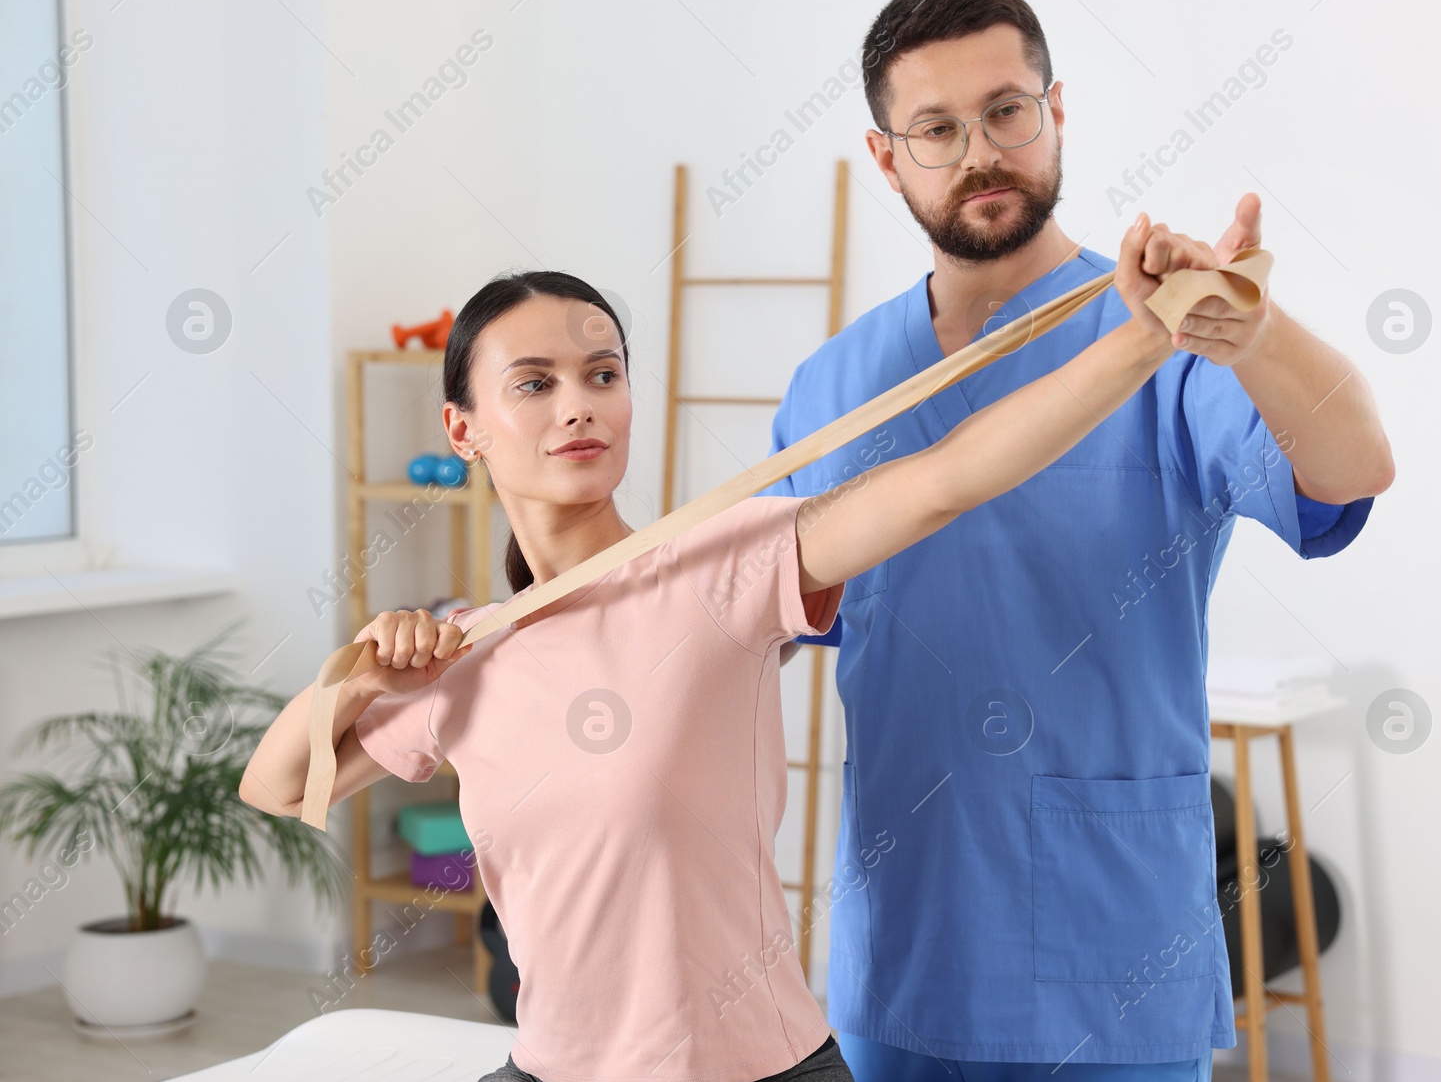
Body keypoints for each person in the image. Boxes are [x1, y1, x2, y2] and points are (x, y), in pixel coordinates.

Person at [238, 220, 1213, 1082]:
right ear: (463, 430)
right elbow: (279, 789)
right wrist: (354, 677)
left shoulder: (719, 564)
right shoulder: (465, 653)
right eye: (533, 385)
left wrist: (1142, 342)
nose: (578, 405)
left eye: (602, 375)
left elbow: (944, 480)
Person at [759, 0, 1394, 1082]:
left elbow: (1352, 468)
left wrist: (1255, 336)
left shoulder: (1166, 338)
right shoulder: (834, 389)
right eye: (935, 129)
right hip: (904, 944)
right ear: (884, 156)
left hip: (1117, 958)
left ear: (1057, 111)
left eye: (1006, 111)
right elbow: (753, 622)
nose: (978, 153)